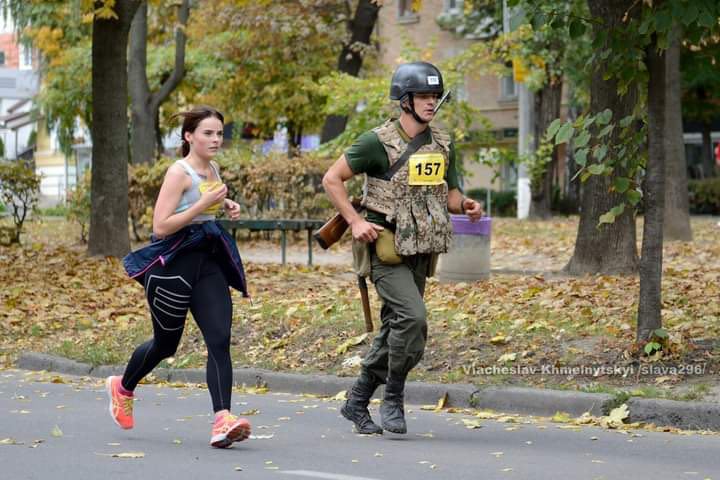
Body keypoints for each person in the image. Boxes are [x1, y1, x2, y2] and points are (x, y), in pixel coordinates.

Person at [322, 62, 484, 435]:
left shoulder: (442, 143)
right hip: (385, 248)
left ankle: (358, 400)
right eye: (424, 96)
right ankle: (393, 396)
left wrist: (466, 205)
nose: (431, 103)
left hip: (422, 249)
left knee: (397, 326)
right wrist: (356, 221)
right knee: (412, 320)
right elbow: (332, 179)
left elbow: (450, 193)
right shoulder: (375, 142)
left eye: (435, 96)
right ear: (405, 101)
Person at [108, 106, 252, 449]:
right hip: (172, 267)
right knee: (166, 344)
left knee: (219, 339)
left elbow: (204, 208)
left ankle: (222, 420)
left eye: (219, 133)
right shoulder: (179, 172)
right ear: (189, 136)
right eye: (208, 133)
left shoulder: (212, 168)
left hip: (208, 263)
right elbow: (160, 226)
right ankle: (122, 387)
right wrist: (203, 207)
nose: (216, 139)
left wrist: (226, 205)